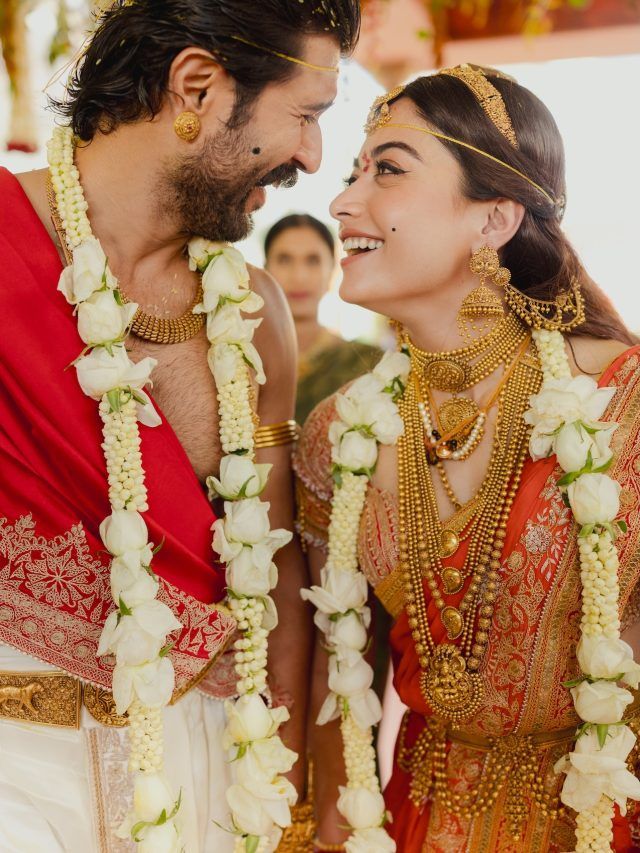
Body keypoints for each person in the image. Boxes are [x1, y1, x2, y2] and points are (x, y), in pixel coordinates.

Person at [0, 1, 360, 851]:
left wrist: (287, 800)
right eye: (305, 117)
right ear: (195, 86)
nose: (312, 156)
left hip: (201, 778)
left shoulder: (252, 309)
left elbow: (273, 574)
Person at [295, 66, 640, 852]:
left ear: (495, 218)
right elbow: (338, 670)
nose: (344, 201)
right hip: (416, 824)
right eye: (354, 172)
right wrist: (328, 832)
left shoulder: (624, 406)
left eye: (387, 169)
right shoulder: (339, 433)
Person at [265, 213, 382, 425]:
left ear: (332, 271)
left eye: (313, 261)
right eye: (284, 260)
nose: (298, 276)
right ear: (265, 270)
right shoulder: (238, 358)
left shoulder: (366, 363)